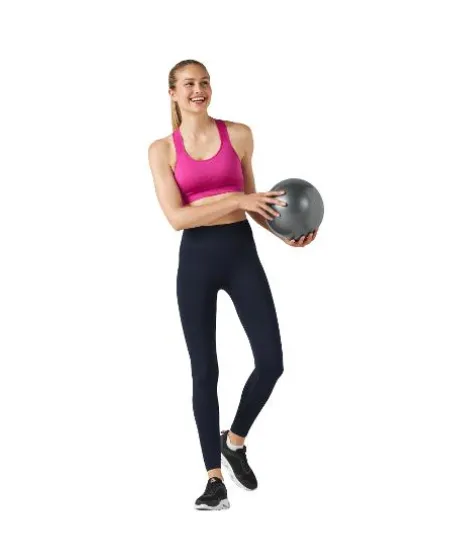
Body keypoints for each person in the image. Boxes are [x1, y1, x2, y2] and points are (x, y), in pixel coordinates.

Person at [148, 59, 318, 510]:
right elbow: (177, 218)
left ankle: (235, 440)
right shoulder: (162, 150)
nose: (198, 90)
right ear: (173, 93)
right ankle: (214, 479)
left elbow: (255, 204)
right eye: (188, 84)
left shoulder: (239, 135)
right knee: (205, 371)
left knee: (272, 362)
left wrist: (285, 234)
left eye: (204, 82)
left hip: (241, 254)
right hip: (197, 260)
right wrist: (237, 199)